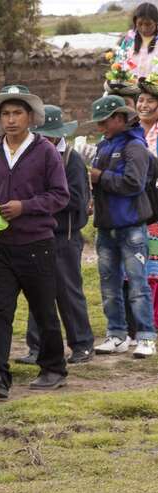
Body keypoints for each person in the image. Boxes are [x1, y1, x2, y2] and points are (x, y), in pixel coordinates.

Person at [0, 85, 70, 399]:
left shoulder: (45, 152)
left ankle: (54, 368)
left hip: (37, 244)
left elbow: (60, 195)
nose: (10, 120)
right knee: (0, 310)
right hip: (0, 245)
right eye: (5, 114)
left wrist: (24, 207)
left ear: (30, 117)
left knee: (43, 310)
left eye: (17, 113)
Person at [14, 106, 95, 366]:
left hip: (64, 235)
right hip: (37, 234)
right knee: (37, 292)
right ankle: (37, 347)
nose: (43, 139)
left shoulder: (72, 159)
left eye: (48, 135)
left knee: (68, 292)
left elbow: (76, 200)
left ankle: (82, 344)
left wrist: (39, 201)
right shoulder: (32, 155)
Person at [89, 94, 158, 358]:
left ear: (119, 118)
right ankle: (116, 335)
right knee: (109, 285)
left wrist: (100, 176)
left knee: (138, 285)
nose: (100, 127)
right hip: (106, 226)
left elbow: (134, 184)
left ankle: (146, 337)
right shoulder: (103, 145)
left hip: (131, 227)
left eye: (104, 121)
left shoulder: (135, 147)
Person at [136, 76, 158, 332]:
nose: (143, 105)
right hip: (131, 206)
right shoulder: (131, 130)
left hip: (155, 205)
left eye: (150, 100)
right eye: (140, 100)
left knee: (154, 265)